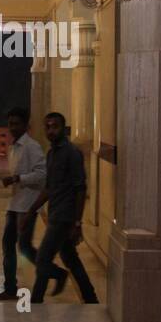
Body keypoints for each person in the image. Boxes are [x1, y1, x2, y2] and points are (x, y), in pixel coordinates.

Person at [0, 107, 67, 301]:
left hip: (28, 206)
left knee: (24, 247)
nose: (12, 127)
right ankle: (10, 288)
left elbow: (41, 175)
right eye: (10, 123)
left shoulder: (32, 146)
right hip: (14, 204)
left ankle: (56, 273)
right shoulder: (13, 147)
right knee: (8, 246)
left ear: (25, 125)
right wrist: (15, 180)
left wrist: (17, 178)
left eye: (16, 123)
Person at [22, 111, 98, 304]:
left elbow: (80, 188)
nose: (50, 130)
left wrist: (78, 223)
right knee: (71, 259)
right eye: (47, 127)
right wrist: (32, 210)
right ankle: (91, 299)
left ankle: (36, 302)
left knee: (42, 260)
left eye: (54, 126)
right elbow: (49, 187)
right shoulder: (51, 153)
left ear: (63, 128)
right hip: (55, 212)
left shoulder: (72, 153)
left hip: (65, 217)